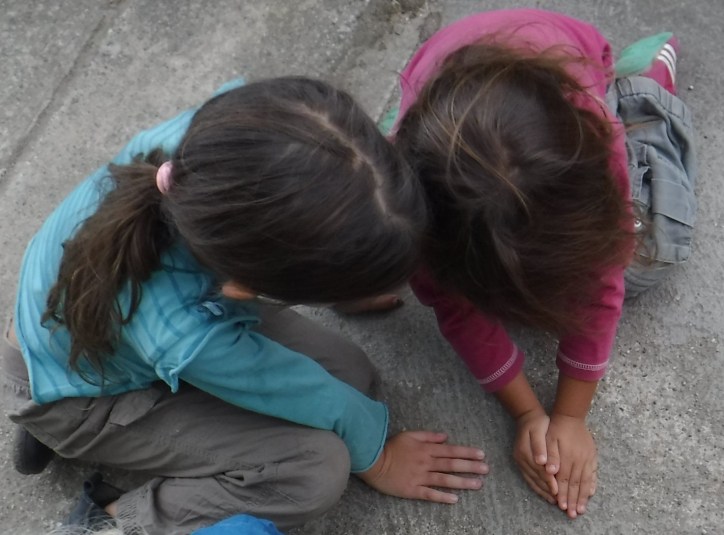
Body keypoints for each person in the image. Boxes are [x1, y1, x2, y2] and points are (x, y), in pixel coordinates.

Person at [2, 77, 489, 534]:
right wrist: (380, 460)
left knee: (352, 375)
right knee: (316, 470)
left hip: (101, 332)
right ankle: (112, 518)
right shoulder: (184, 330)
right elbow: (301, 391)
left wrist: (349, 269)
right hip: (77, 397)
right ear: (241, 287)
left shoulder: (232, 138)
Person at [393, 9, 696, 519]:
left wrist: (570, 415)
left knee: (650, 254)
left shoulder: (594, 142)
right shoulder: (414, 218)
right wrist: (528, 413)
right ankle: (397, 138)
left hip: (580, 72)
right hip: (442, 110)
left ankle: (645, 86)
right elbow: (455, 308)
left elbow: (604, 282)